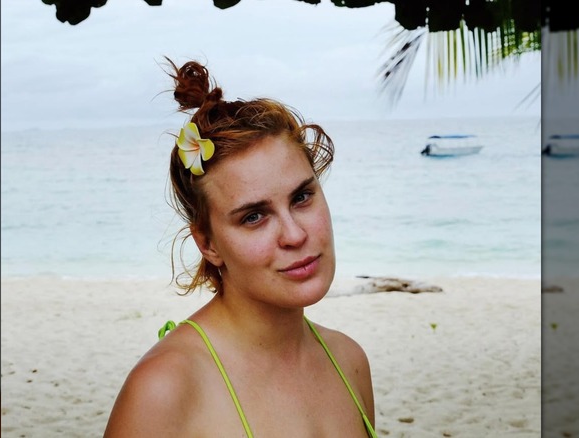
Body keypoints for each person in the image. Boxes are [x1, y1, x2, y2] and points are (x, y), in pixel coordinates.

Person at [104, 58, 377, 437]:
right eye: (253, 217)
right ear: (208, 244)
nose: (295, 235)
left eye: (301, 197)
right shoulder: (165, 389)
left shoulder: (348, 361)